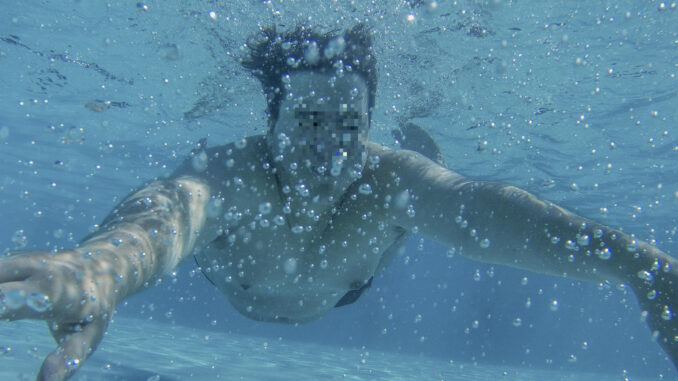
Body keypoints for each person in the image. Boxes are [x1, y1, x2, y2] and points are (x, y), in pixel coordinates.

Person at [1, 23, 676, 381]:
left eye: (349, 128)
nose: (328, 152)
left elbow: (478, 211)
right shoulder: (235, 173)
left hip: (348, 282)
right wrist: (97, 270)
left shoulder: (385, 178)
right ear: (272, 124)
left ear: (369, 126)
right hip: (249, 275)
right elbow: (172, 210)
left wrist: (632, 262)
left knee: (425, 186)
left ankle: (419, 141)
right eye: (309, 124)